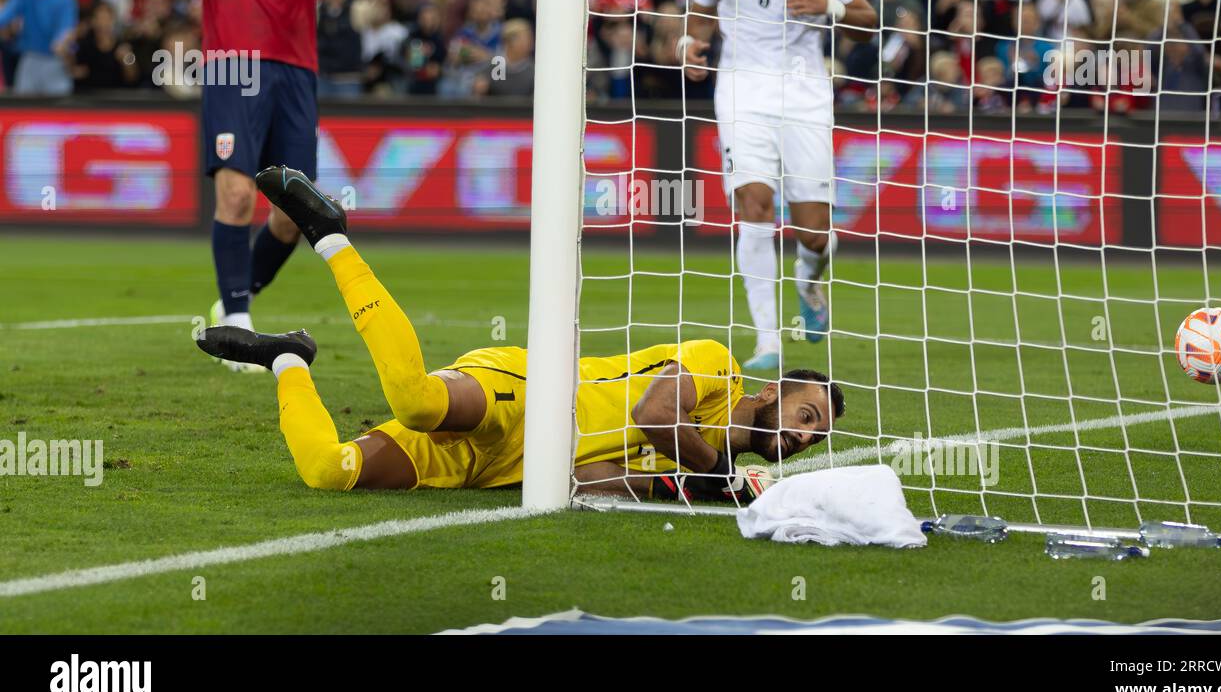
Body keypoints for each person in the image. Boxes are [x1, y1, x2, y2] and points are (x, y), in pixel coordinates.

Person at [197, 166, 845, 499]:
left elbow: (585, 482)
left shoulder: (690, 473)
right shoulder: (717, 367)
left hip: (500, 468)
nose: (805, 435)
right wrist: (716, 476)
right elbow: (654, 415)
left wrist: (679, 488)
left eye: (815, 437)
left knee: (327, 472)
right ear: (768, 392)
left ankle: (288, 358)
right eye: (808, 414)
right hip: (526, 393)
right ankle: (332, 235)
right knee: (417, 401)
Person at [106, 0, 384, 371]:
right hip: (232, 64)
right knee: (234, 193)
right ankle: (237, 324)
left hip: (295, 69)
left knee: (290, 217)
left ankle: (237, 299)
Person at [680, 0, 876, 370]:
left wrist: (828, 5)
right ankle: (767, 341)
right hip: (742, 90)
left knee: (814, 231)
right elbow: (699, 15)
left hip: (806, 92)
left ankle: (810, 285)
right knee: (755, 204)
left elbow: (867, 19)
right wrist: (689, 48)